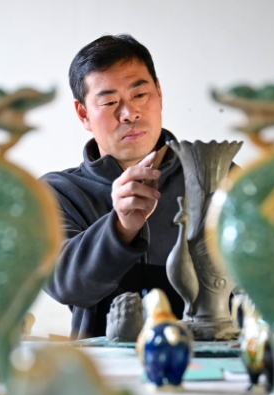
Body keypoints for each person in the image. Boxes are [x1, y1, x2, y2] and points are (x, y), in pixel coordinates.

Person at [41, 34, 186, 339]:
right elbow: (63, 284)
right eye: (109, 102)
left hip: (213, 362)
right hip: (103, 367)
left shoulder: (214, 176)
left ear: (159, 93)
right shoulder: (58, 193)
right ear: (83, 114)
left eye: (140, 94)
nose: (130, 114)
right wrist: (120, 228)